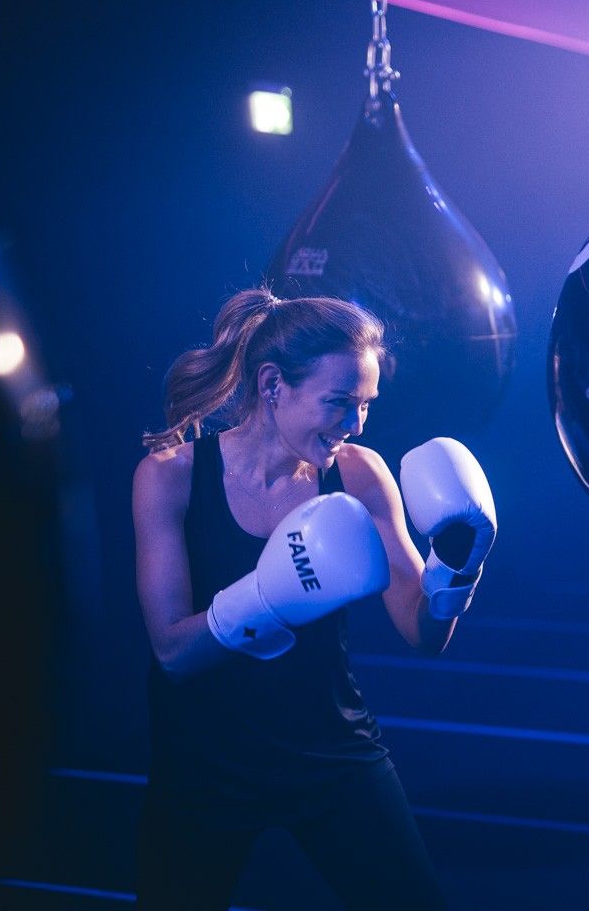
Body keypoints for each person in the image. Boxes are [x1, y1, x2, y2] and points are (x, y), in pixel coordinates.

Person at [132, 288, 496, 910]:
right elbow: (170, 651)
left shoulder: (358, 472)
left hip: (330, 750)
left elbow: (422, 631)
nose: (355, 424)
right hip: (205, 761)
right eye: (339, 402)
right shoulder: (171, 475)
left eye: (365, 405)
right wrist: (270, 595)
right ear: (273, 384)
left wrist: (457, 566)